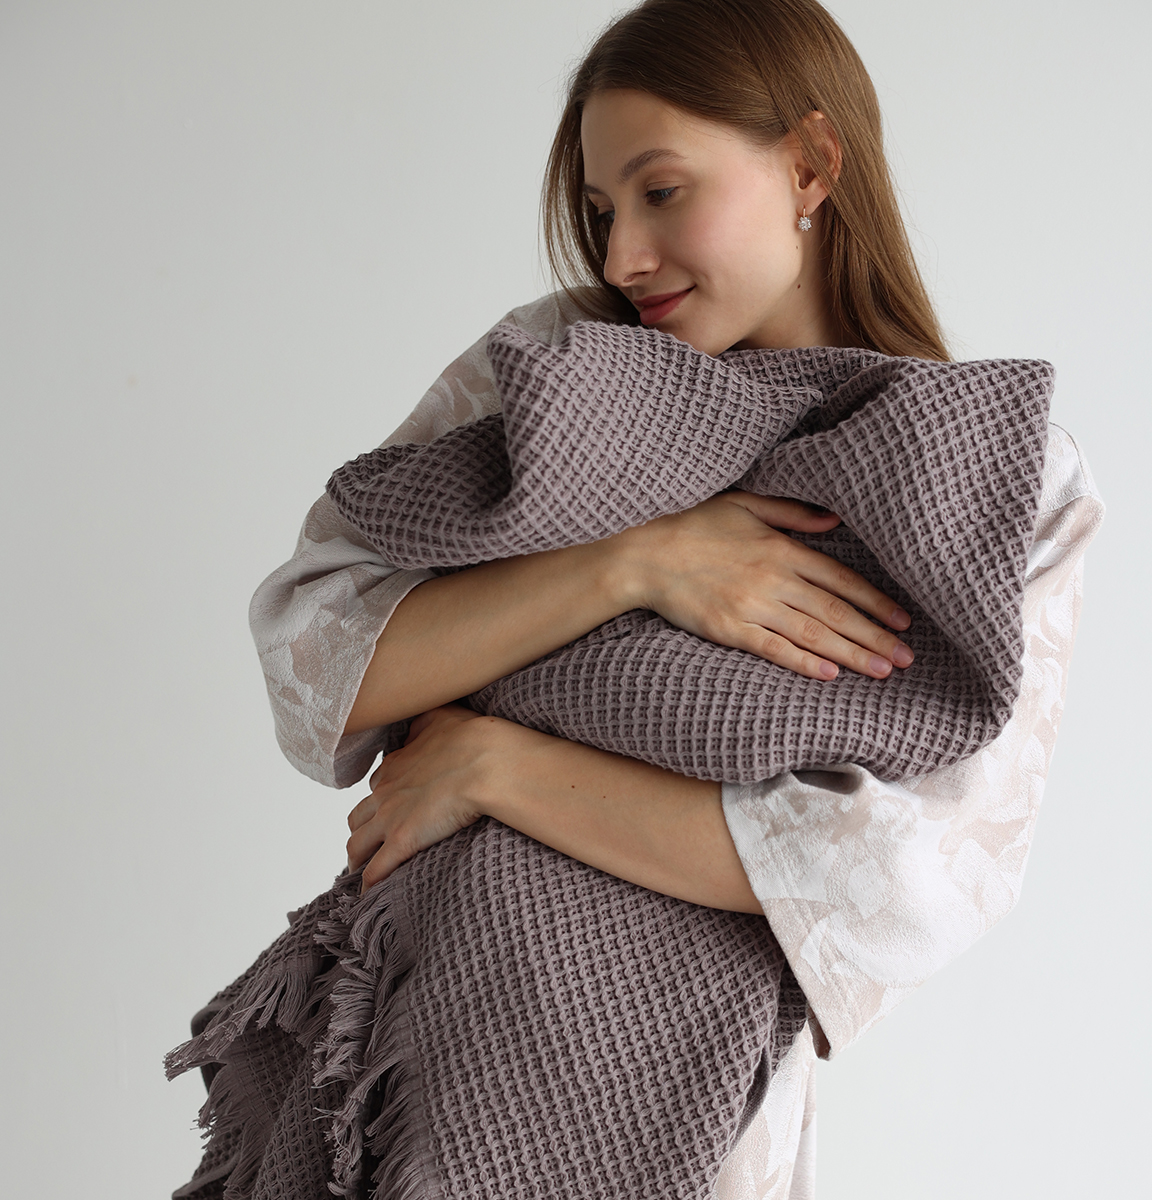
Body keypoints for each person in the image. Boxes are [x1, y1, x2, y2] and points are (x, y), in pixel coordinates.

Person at [174, 1, 1104, 1196]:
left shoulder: (992, 479)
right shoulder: (555, 374)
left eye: (662, 193)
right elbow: (318, 658)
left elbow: (903, 885)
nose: (621, 260)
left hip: (685, 1130)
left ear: (812, 165)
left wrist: (498, 767)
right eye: (604, 210)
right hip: (397, 1059)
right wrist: (636, 562)